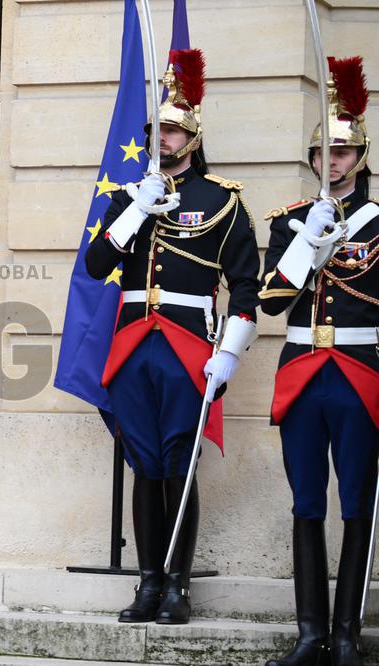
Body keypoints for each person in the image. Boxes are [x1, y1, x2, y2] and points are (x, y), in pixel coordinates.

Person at [84, 50, 260, 624]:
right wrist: (136, 210)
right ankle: (148, 582)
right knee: (145, 464)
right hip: (135, 340)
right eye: (157, 129)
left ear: (193, 135)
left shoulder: (222, 200)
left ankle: (179, 586)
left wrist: (228, 356)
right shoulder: (127, 195)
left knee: (180, 464)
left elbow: (245, 287)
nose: (163, 138)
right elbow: (95, 264)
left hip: (188, 342)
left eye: (174, 129)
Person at [261, 56, 378, 666]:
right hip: (304, 373)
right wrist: (310, 243)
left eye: (341, 153)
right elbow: (272, 302)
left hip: (361, 377)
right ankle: (309, 632)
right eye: (322, 153)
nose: (330, 162)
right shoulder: (289, 223)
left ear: (359, 158)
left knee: (356, 501)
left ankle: (345, 635)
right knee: (307, 501)